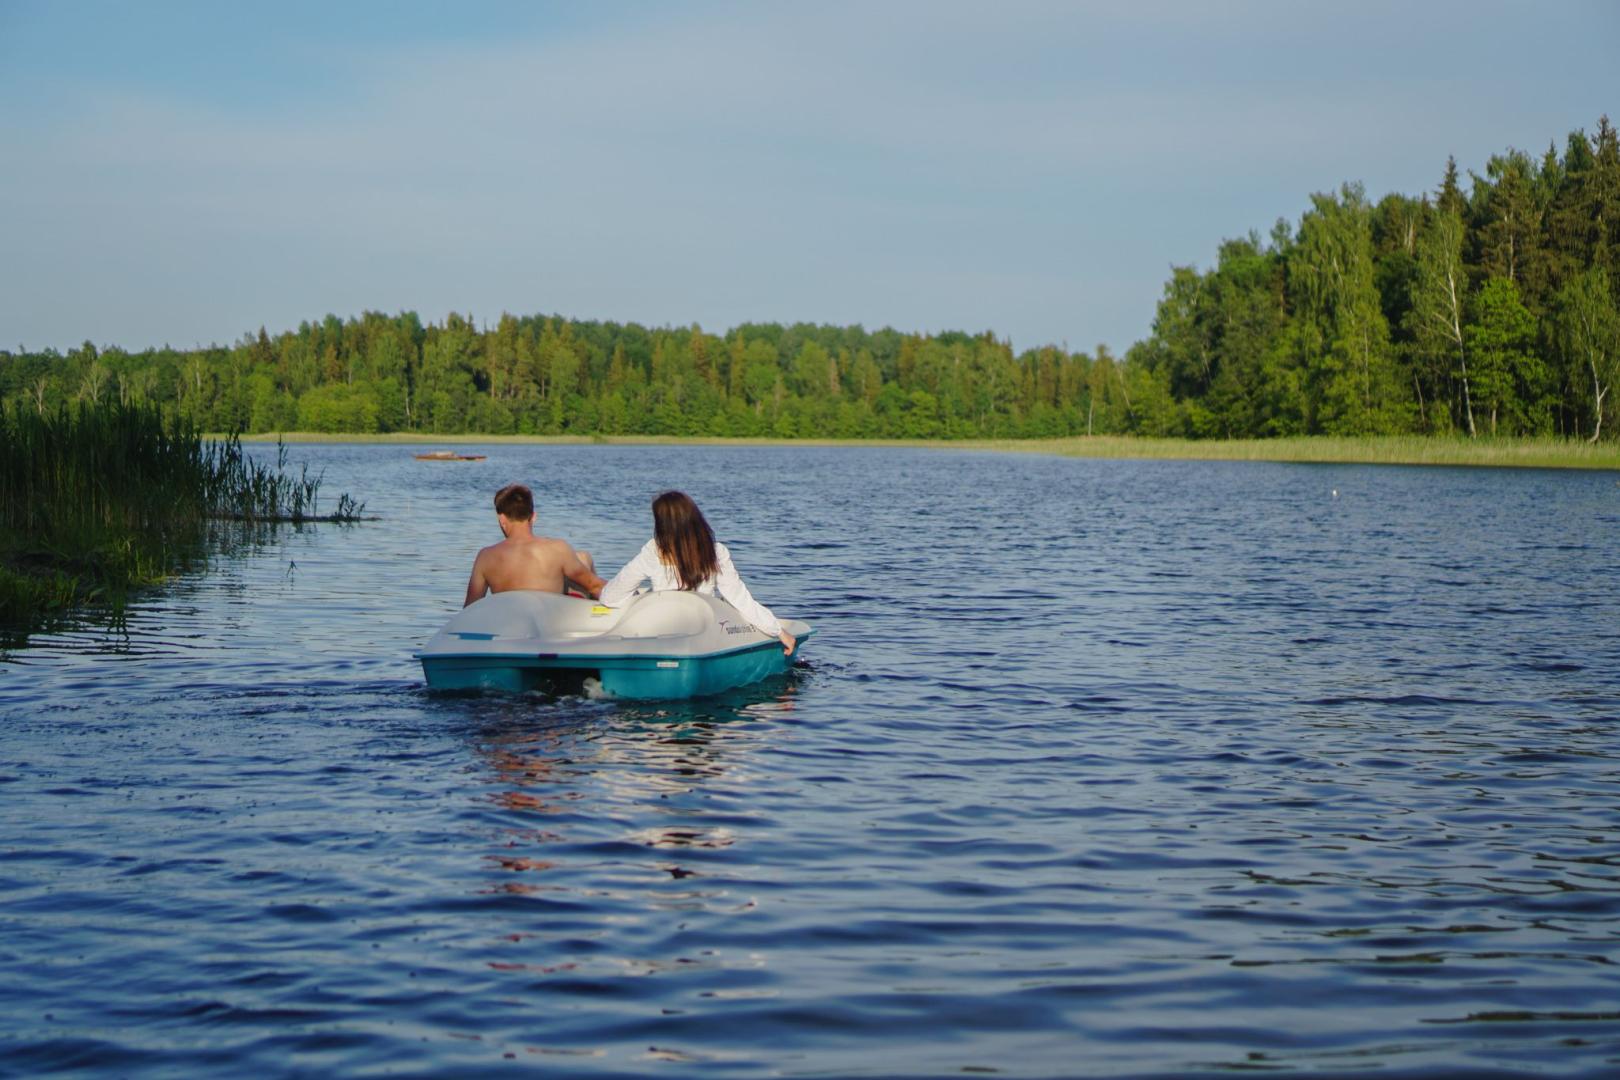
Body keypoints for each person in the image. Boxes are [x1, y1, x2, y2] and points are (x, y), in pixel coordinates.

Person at [599, 491, 796, 656]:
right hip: (701, 635)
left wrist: (639, 598)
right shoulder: (716, 552)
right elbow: (739, 599)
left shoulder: (653, 551)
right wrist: (778, 630)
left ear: (662, 525)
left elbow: (610, 597)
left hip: (657, 633)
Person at [463, 483, 606, 606]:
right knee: (584, 558)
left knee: (581, 558)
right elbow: (595, 586)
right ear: (533, 517)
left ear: (502, 520)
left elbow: (470, 608)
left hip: (509, 623)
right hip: (548, 624)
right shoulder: (557, 549)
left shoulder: (485, 557)